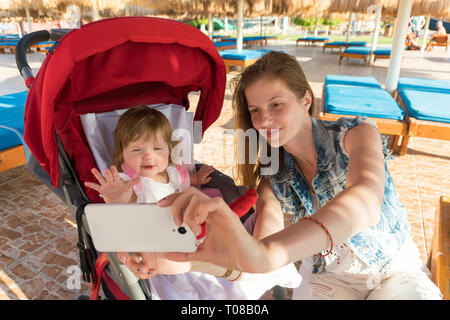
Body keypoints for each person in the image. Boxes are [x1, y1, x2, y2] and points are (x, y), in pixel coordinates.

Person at [146, 51, 442, 300]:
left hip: (394, 269)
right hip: (332, 280)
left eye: (276, 104)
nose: (263, 120)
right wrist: (186, 261)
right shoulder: (274, 182)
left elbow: (366, 200)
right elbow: (256, 259)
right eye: (255, 110)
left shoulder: (355, 135)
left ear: (305, 99)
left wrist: (268, 253)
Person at [85, 106, 216, 277]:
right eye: (137, 150)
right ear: (122, 153)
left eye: (157, 149)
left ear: (169, 150)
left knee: (208, 226)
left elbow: (186, 180)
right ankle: (146, 264)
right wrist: (114, 195)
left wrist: (198, 178)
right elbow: (125, 200)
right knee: (167, 259)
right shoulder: (128, 181)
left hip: (174, 229)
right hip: (147, 237)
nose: (148, 156)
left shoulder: (171, 172)